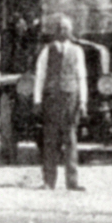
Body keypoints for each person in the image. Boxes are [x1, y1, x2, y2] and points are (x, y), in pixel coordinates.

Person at [31, 13, 87, 190]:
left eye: (66, 28)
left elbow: (81, 77)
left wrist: (83, 101)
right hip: (51, 99)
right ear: (56, 31)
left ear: (71, 31)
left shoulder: (77, 51)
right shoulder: (47, 51)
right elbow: (40, 76)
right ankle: (49, 181)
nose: (63, 31)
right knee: (50, 140)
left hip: (70, 98)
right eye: (60, 28)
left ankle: (72, 182)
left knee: (71, 139)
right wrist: (37, 100)